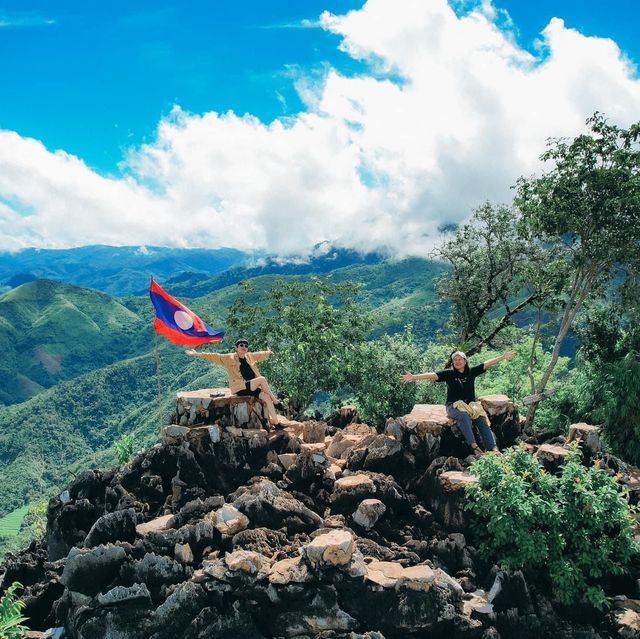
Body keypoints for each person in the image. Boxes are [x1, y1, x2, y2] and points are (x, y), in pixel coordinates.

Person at [400, 350, 516, 456]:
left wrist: (502, 357)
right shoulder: (449, 373)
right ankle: (474, 446)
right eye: (455, 360)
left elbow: (486, 364)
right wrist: (414, 377)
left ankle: (493, 448)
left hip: (471, 406)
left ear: (465, 361)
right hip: (453, 406)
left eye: (460, 359)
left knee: (481, 418)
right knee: (463, 416)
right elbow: (432, 375)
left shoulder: (471, 372)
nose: (457, 361)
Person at [185, 338, 286, 427]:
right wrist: (197, 354)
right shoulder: (230, 358)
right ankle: (276, 402)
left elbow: (260, 355)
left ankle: (276, 424)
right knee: (262, 379)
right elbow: (215, 356)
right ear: (236, 347)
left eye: (246, 346)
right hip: (240, 387)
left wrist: (268, 352)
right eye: (241, 345)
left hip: (251, 387)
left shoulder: (249, 356)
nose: (244, 347)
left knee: (267, 397)